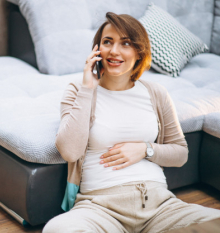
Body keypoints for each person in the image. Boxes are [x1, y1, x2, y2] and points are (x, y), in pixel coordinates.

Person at [43, 12, 220, 233]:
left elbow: (180, 153)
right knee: (58, 230)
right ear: (97, 49)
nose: (114, 51)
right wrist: (88, 89)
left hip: (160, 207)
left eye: (125, 43)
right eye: (108, 42)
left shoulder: (156, 93)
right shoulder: (79, 91)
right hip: (99, 208)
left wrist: (145, 150)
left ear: (139, 52)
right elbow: (69, 151)